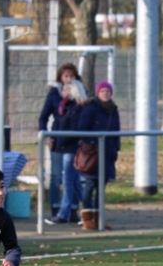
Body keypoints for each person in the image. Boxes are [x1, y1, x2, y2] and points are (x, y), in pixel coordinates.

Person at [38, 63, 81, 218]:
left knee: (73, 177)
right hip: (57, 140)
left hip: (74, 142)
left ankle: (73, 209)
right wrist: (46, 136)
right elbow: (43, 117)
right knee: (56, 175)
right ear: (60, 78)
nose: (69, 79)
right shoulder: (54, 94)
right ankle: (56, 207)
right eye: (66, 76)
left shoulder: (80, 94)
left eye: (72, 76)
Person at [44, 80, 89, 225]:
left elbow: (74, 129)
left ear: (72, 91)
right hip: (65, 147)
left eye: (65, 90)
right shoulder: (66, 106)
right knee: (74, 182)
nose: (62, 92)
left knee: (68, 181)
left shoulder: (76, 107)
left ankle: (63, 214)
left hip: (72, 148)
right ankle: (91, 209)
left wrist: (61, 139)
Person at [78, 81, 121, 230]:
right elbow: (82, 129)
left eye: (108, 91)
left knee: (101, 187)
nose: (105, 94)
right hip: (92, 154)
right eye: (102, 91)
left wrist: (116, 148)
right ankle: (87, 218)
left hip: (108, 153)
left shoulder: (113, 109)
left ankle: (98, 219)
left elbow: (117, 130)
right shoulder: (90, 108)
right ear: (98, 93)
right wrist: (93, 143)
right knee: (90, 185)